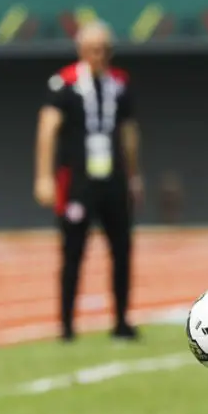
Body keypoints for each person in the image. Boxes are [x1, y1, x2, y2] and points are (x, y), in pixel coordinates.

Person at [34, 20, 143, 342]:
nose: (100, 55)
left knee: (122, 249)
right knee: (72, 252)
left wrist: (134, 176)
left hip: (113, 179)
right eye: (94, 49)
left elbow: (129, 133)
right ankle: (67, 326)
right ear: (81, 50)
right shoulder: (63, 84)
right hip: (77, 181)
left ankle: (121, 322)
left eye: (105, 49)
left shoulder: (119, 83)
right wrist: (43, 177)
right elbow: (47, 130)